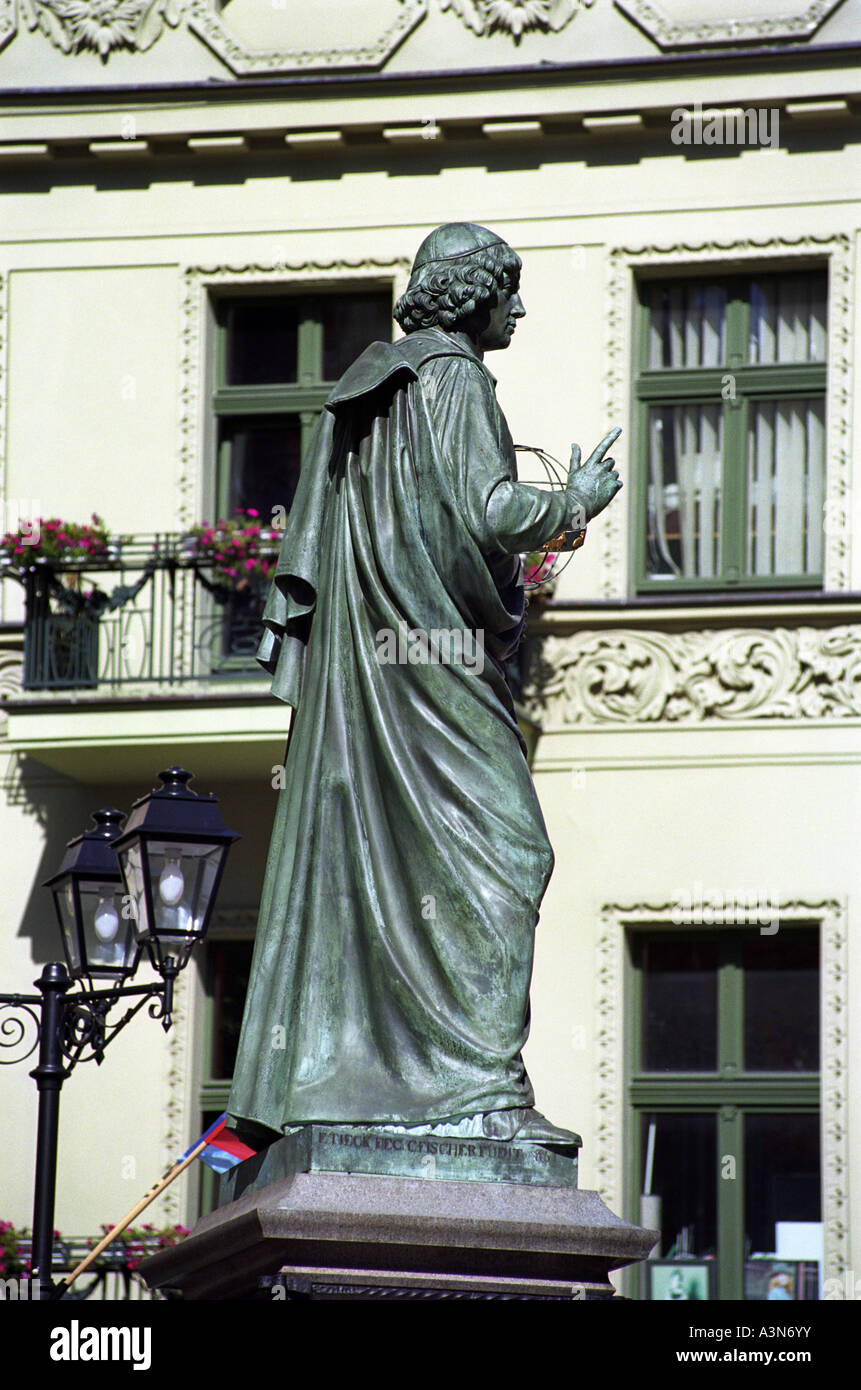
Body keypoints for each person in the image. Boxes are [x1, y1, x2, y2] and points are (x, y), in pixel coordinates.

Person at [226, 223, 621, 1148]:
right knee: (507, 854)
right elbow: (488, 513)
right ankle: (478, 1088)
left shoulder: (370, 394)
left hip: (376, 671)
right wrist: (577, 499)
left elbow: (414, 530)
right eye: (508, 290)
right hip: (431, 667)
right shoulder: (453, 379)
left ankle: (390, 1080)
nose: (518, 309)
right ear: (472, 294)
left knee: (392, 866)